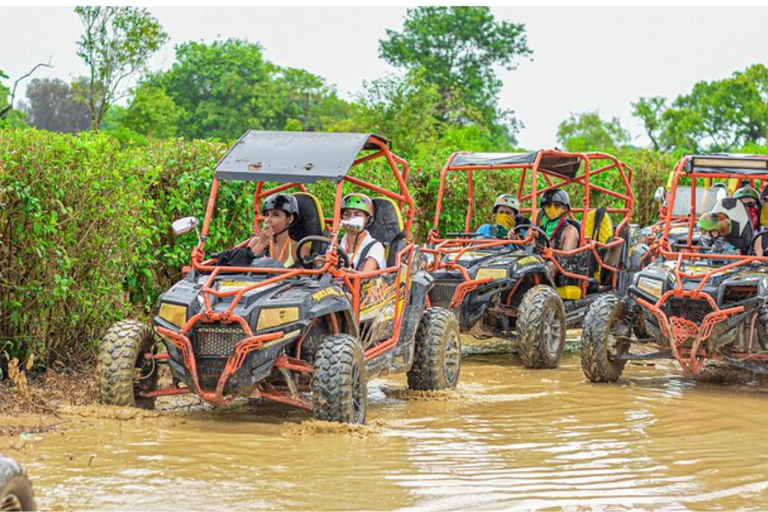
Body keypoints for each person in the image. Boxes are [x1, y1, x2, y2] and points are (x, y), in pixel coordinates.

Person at [247, 193, 308, 267]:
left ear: (290, 219)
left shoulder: (298, 248)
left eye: (276, 215)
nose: (268, 220)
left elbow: (305, 277)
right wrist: (261, 244)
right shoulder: (255, 242)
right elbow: (240, 270)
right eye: (266, 215)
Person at [339, 193, 386, 272]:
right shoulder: (337, 243)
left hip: (360, 283)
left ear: (367, 219)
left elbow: (364, 278)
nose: (351, 218)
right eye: (347, 214)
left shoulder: (375, 247)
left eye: (357, 215)